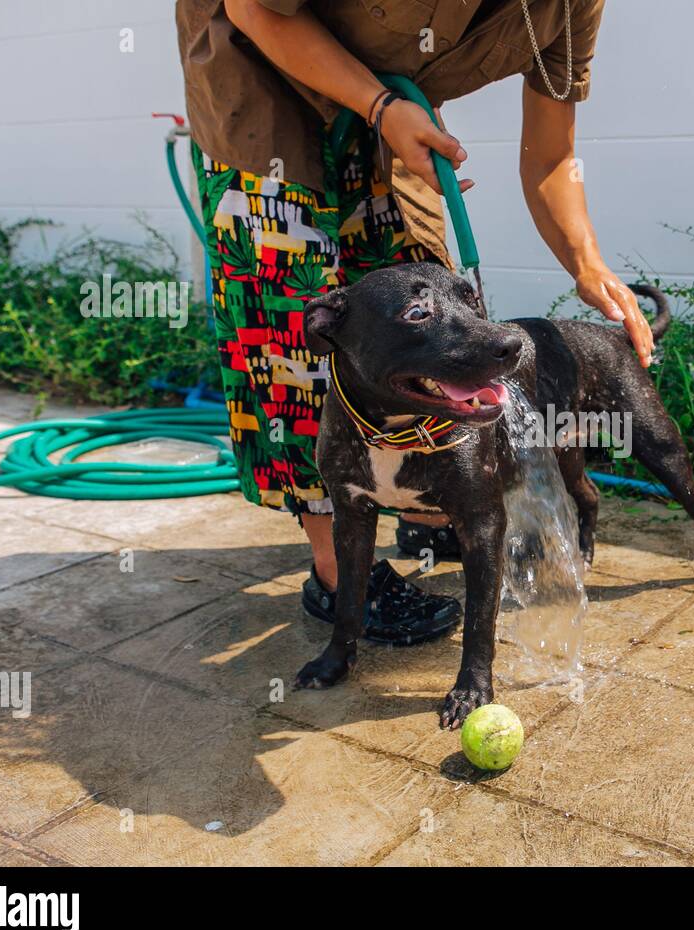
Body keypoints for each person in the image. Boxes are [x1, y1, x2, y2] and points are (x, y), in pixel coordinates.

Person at [175, 0, 653, 643]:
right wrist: (377, 107)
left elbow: (550, 157)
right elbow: (256, 12)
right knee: (296, 330)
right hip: (263, 90)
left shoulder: (571, 4)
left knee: (417, 306)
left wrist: (587, 264)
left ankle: (423, 506)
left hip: (391, 109)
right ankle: (341, 573)